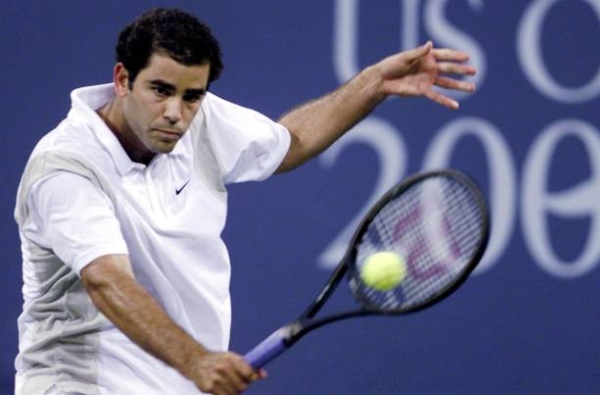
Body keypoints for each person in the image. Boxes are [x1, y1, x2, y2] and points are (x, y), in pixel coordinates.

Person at [14, 7, 476, 395]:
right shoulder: (66, 167)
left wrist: (372, 84)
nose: (176, 112)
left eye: (192, 96)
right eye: (160, 90)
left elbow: (288, 143)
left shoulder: (199, 120)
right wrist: (196, 360)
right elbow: (107, 281)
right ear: (122, 79)